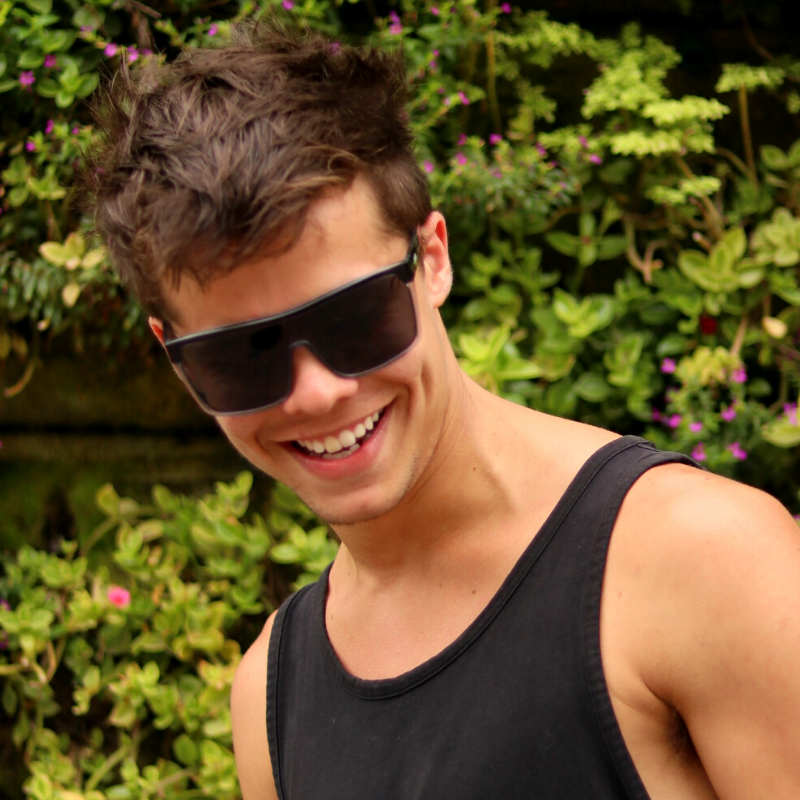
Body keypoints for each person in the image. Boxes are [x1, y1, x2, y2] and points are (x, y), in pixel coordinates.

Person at [87, 21, 800, 800]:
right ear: (175, 356)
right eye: (242, 355)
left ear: (431, 259)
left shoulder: (704, 561)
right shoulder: (268, 700)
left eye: (355, 317)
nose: (316, 391)